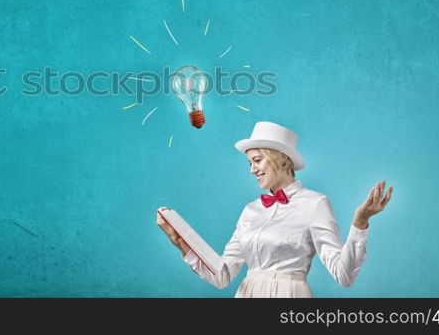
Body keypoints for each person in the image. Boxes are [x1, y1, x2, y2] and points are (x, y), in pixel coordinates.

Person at [156, 121, 393, 298]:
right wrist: (181, 241)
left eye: (257, 160)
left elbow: (345, 275)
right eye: (249, 163)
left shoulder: (315, 203)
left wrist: (360, 223)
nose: (252, 169)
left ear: (280, 159)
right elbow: (222, 275)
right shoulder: (250, 210)